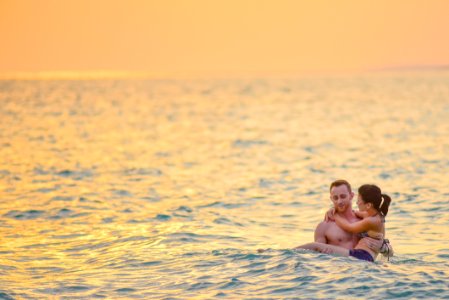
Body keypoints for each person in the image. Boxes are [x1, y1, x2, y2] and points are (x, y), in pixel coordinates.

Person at [295, 183, 392, 262]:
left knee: (314, 246)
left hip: (362, 267)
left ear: (351, 196)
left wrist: (384, 247)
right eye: (335, 198)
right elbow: (318, 260)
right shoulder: (324, 226)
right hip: (340, 277)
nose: (339, 201)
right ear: (331, 199)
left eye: (343, 196)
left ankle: (288, 253)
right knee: (316, 246)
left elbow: (389, 253)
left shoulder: (366, 220)